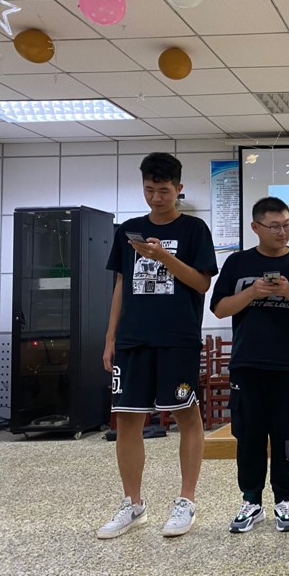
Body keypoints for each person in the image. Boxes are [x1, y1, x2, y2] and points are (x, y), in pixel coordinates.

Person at [98, 152, 217, 539]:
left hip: (177, 338)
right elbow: (121, 284)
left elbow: (202, 283)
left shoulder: (194, 230)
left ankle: (186, 501)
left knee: (186, 414)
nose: (156, 197)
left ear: (179, 188)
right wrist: (110, 337)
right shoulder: (128, 230)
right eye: (149, 190)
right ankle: (133, 504)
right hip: (132, 339)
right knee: (127, 419)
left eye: (163, 190)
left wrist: (163, 256)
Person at [210, 197, 289, 533]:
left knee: (287, 435)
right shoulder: (237, 262)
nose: (282, 232)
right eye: (274, 226)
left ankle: (284, 500)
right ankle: (251, 500)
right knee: (249, 435)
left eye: (287, 225)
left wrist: (288, 292)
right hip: (247, 363)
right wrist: (252, 292)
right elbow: (219, 309)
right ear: (255, 227)